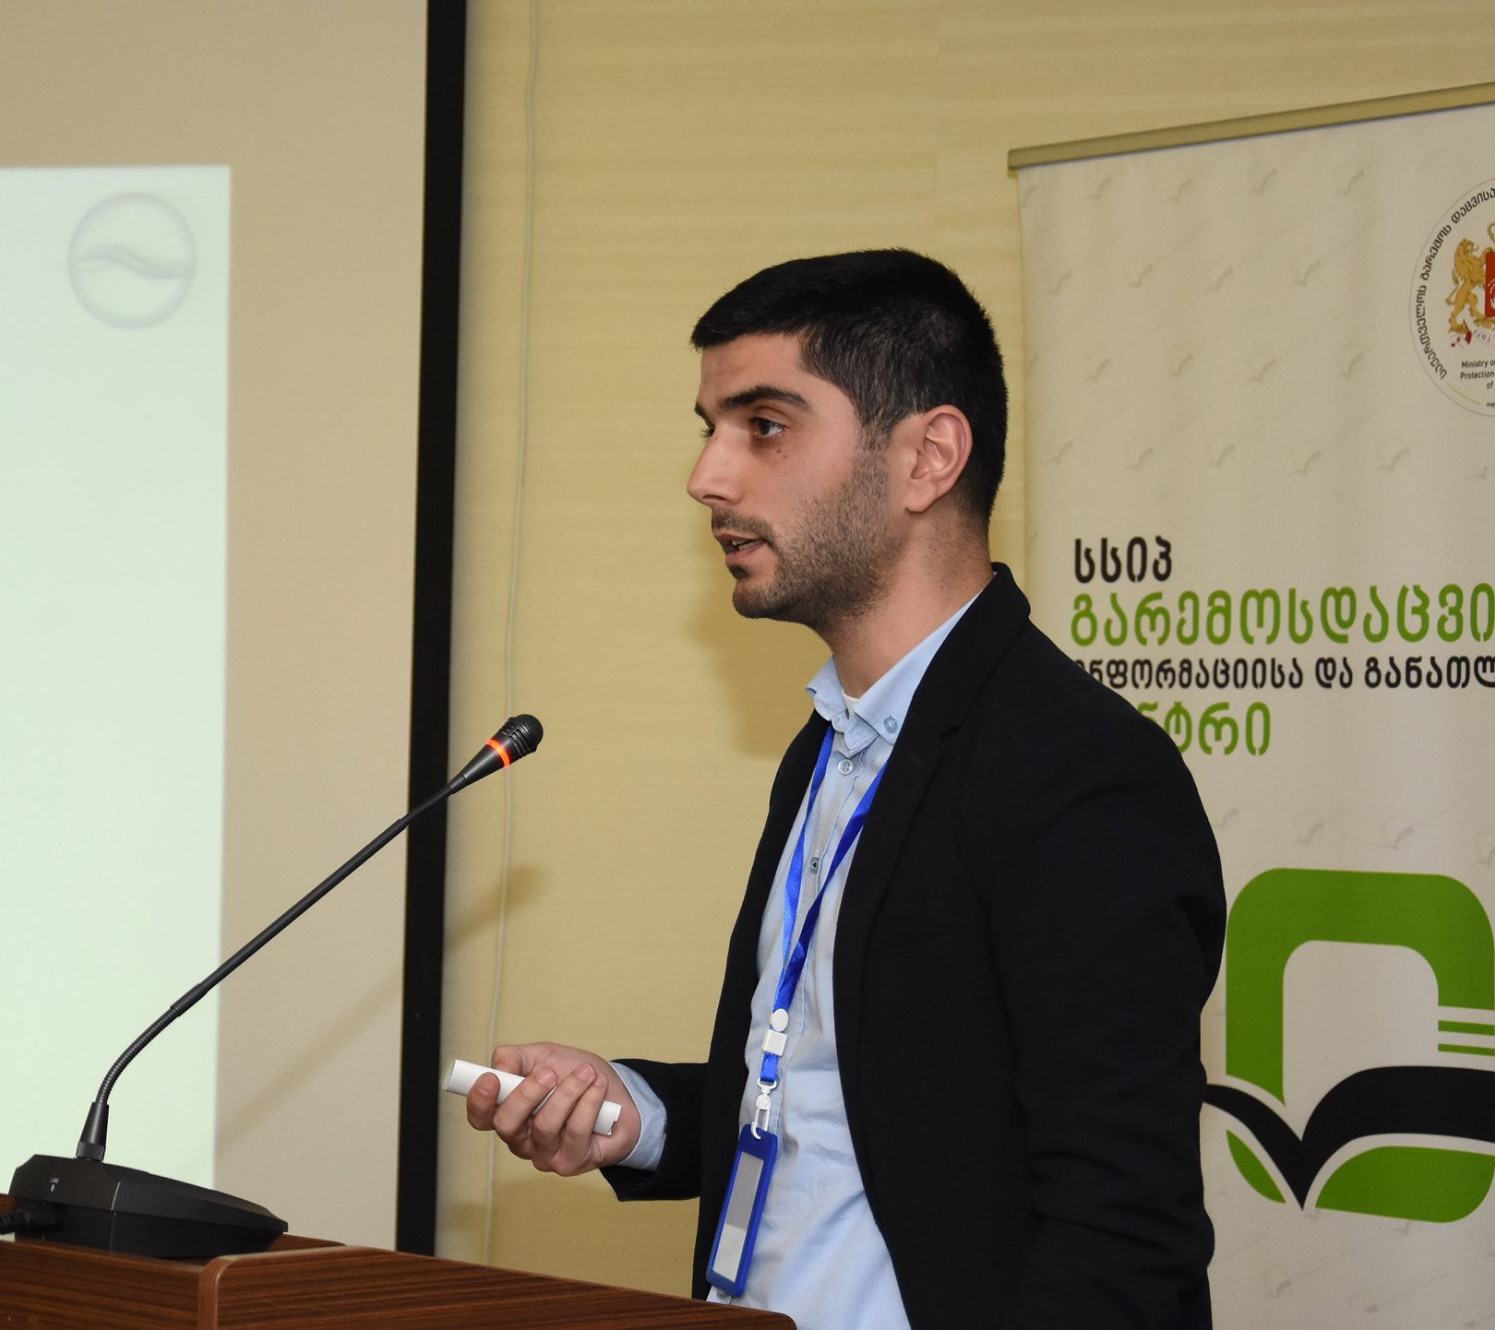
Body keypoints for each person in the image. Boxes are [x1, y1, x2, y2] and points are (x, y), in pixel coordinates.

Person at [463, 249, 1226, 1329]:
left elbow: (1123, 1236)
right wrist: (634, 1113)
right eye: (709, 428)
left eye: (764, 426)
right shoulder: (829, 745)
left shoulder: (1079, 776)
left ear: (927, 458)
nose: (708, 477)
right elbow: (848, 1101)